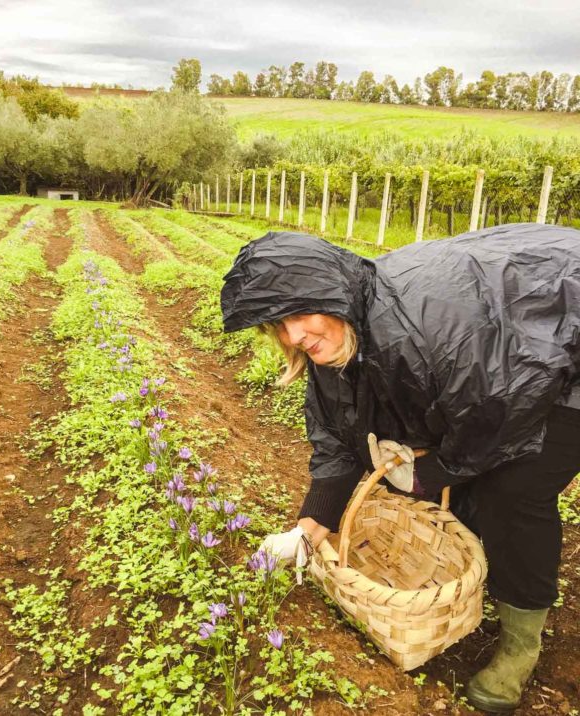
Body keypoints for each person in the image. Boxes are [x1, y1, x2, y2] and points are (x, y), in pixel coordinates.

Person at [220, 224, 580, 713]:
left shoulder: (429, 332)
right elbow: (339, 437)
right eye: (277, 325)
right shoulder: (341, 333)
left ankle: (521, 645)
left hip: (559, 356)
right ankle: (477, 582)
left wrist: (434, 474)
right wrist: (308, 529)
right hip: (500, 357)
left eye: (300, 314)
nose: (294, 336)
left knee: (512, 491)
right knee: (464, 477)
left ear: (333, 293)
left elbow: (500, 413)